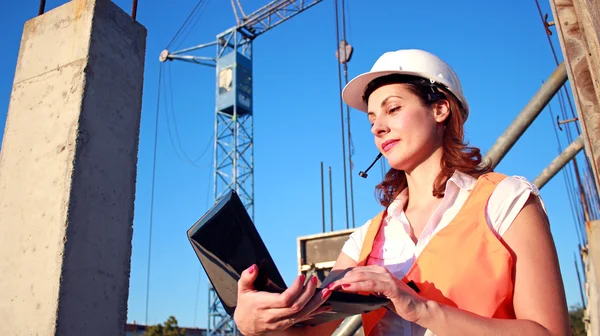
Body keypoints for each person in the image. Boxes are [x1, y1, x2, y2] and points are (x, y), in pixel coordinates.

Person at [233, 49, 571, 336]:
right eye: (371, 120)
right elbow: (307, 332)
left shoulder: (505, 201)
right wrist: (258, 323)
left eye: (393, 109)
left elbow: (550, 332)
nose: (378, 126)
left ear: (440, 109)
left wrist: (420, 308)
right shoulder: (366, 239)